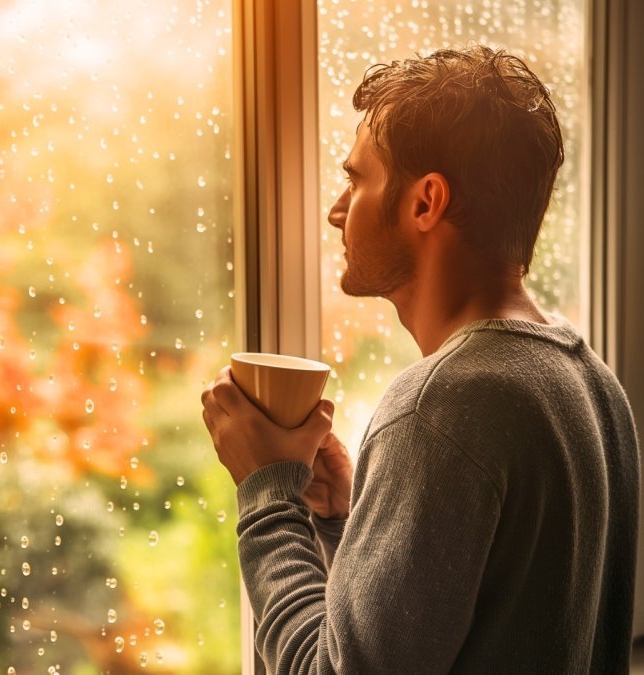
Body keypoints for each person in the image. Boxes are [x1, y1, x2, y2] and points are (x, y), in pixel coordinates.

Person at [200, 46, 639, 673]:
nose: (336, 211)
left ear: (426, 201)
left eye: (356, 180)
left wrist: (266, 495)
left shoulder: (440, 406)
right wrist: (348, 527)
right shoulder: (592, 384)